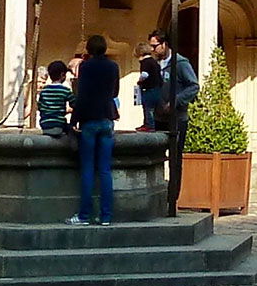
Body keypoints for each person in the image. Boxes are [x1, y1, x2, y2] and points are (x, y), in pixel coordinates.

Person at [146, 29, 199, 213]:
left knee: (175, 159)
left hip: (177, 118)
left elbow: (194, 86)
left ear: (164, 44)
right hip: (158, 116)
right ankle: (158, 194)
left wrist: (175, 101)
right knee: (156, 156)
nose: (153, 50)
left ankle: (172, 199)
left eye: (155, 46)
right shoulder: (154, 64)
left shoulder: (181, 63)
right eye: (151, 46)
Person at [71, 34, 120, 226]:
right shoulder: (113, 66)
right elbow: (115, 92)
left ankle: (84, 215)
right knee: (105, 170)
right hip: (106, 117)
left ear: (89, 50)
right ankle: (106, 216)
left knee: (88, 169)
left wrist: (74, 120)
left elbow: (81, 94)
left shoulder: (86, 66)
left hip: (89, 119)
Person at [36, 60, 74, 139]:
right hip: (59, 124)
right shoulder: (65, 90)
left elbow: (40, 107)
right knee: (72, 132)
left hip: (44, 124)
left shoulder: (44, 91)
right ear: (62, 75)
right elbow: (75, 104)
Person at [132, 56, 165, 132]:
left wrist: (139, 81)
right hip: (157, 88)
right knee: (153, 109)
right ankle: (150, 124)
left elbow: (144, 74)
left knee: (148, 108)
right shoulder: (155, 62)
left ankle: (149, 125)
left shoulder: (145, 62)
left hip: (149, 89)